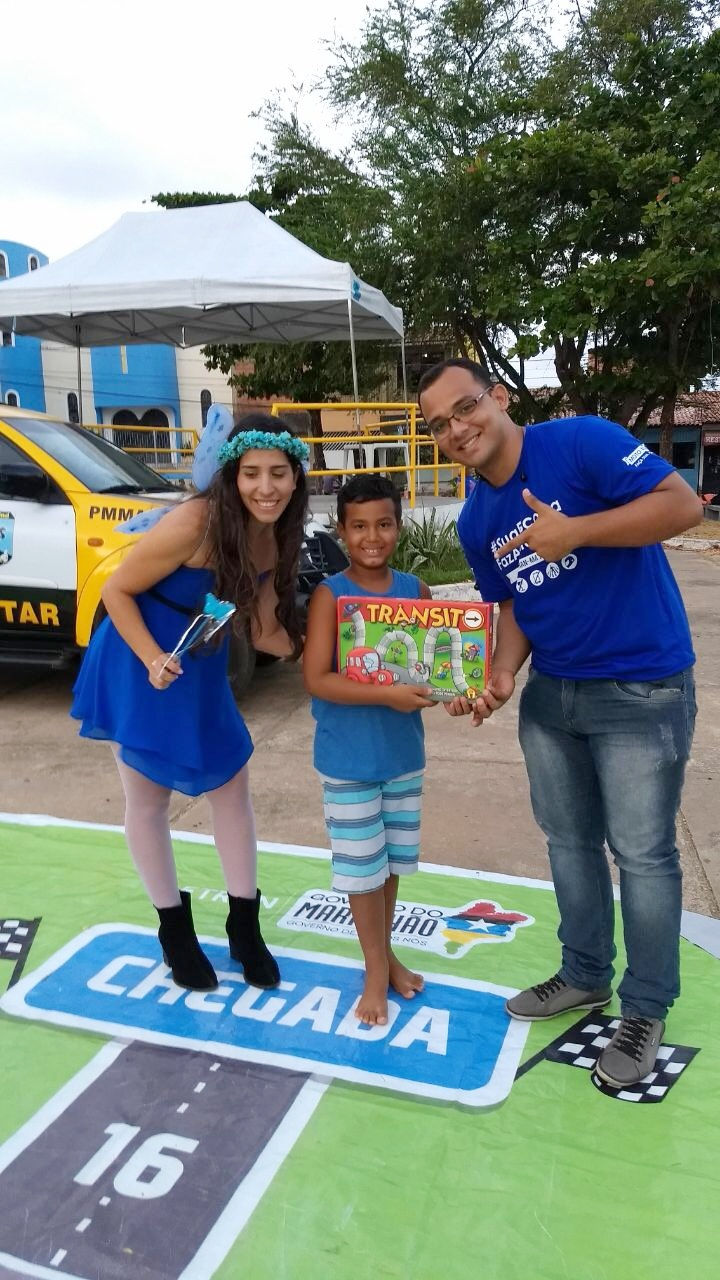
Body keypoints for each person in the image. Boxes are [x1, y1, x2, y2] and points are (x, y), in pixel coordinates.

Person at [417, 357, 703, 1089]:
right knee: (569, 843)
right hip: (554, 696)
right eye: (439, 424)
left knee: (641, 853)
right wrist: (503, 675)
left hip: (641, 688)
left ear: (500, 397)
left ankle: (643, 1008)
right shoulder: (479, 516)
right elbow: (514, 607)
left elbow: (682, 506)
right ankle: (583, 975)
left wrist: (577, 531)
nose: (457, 428)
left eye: (466, 407)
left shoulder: (581, 443)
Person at [71, 413, 310, 994]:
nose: (266, 487)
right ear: (232, 477)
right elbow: (116, 590)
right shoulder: (195, 523)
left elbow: (264, 629)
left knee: (231, 787)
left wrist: (339, 644)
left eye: (279, 473)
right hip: (139, 658)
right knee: (147, 799)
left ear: (296, 479)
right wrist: (154, 658)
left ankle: (244, 928)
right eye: (251, 473)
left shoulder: (276, 535)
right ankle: (174, 932)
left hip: (199, 661)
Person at [302, 474, 436, 1026]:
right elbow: (317, 678)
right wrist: (390, 694)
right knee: (362, 872)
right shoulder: (331, 594)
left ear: (399, 528)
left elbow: (435, 674)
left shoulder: (417, 592)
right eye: (359, 527)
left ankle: (388, 956)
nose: (372, 537)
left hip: (402, 757)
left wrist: (454, 695)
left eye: (383, 524)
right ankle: (374, 971)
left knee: (391, 868)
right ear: (341, 531)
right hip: (349, 761)